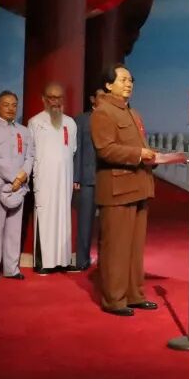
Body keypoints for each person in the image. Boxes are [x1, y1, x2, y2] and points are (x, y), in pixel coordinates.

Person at [90, 64, 157, 316]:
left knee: (134, 249)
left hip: (138, 186)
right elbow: (105, 149)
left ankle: (134, 295)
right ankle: (114, 300)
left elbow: (138, 146)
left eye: (131, 80)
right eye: (123, 80)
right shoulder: (103, 112)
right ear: (108, 85)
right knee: (116, 248)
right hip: (117, 190)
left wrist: (154, 157)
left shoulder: (132, 113)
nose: (129, 84)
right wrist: (139, 154)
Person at [0, 91, 32, 282]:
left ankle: (11, 268)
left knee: (14, 230)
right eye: (6, 104)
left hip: (18, 187)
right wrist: (15, 177)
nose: (11, 108)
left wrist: (22, 176)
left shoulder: (24, 131)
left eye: (14, 105)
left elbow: (30, 156)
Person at [29, 82, 78, 274]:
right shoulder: (35, 122)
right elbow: (30, 152)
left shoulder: (70, 123)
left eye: (59, 97)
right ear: (44, 99)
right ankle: (43, 262)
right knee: (45, 217)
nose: (55, 101)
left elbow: (72, 150)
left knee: (63, 218)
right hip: (44, 179)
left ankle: (63, 260)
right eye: (51, 97)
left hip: (64, 178)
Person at [71, 90, 102, 272]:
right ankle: (82, 260)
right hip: (87, 178)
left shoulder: (112, 118)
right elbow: (77, 150)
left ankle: (106, 261)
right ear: (92, 99)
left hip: (108, 178)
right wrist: (76, 177)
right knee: (85, 221)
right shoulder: (82, 120)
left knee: (108, 223)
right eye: (101, 96)